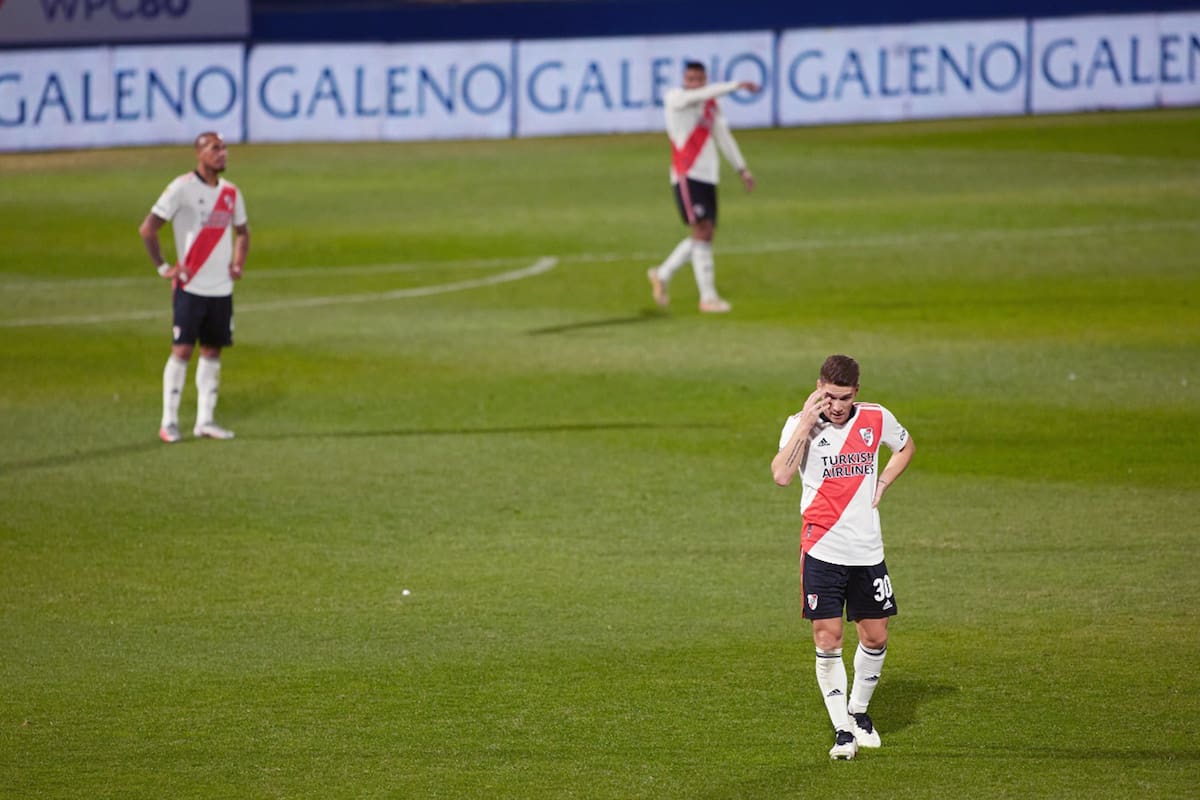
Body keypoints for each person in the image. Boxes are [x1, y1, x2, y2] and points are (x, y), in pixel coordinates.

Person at [770, 355, 915, 760]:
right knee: (827, 638)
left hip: (867, 550)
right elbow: (781, 475)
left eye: (844, 398)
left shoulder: (875, 418)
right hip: (821, 550)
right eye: (829, 396)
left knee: (876, 636)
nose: (836, 406)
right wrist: (802, 424)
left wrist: (883, 481)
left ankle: (859, 711)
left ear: (857, 393)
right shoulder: (801, 426)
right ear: (819, 387)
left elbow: (905, 446)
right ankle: (841, 731)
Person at [139, 131, 249, 443]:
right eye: (215, 148)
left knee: (213, 350)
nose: (223, 153)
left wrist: (238, 264)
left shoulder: (230, 193)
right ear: (199, 153)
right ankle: (169, 421)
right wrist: (164, 267)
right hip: (191, 285)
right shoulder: (181, 188)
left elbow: (243, 232)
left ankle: (205, 420)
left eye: (225, 148)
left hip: (221, 288)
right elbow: (148, 228)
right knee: (183, 349)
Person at [646, 61, 757, 314]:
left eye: (698, 79)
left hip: (709, 177)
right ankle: (707, 297)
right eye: (690, 78)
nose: (694, 83)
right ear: (684, 81)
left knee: (705, 232)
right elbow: (701, 95)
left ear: (705, 80)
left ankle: (662, 274)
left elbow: (724, 138)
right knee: (702, 229)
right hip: (687, 174)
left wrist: (742, 169)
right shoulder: (675, 99)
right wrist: (735, 85)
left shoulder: (711, 107)